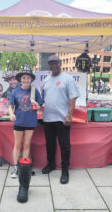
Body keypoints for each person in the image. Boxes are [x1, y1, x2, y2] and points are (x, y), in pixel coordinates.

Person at [41, 55, 80, 184]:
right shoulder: (46, 80)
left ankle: (64, 170)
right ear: (49, 65)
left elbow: (73, 98)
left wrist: (69, 116)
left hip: (63, 119)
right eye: (51, 63)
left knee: (65, 146)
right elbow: (44, 99)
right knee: (50, 144)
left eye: (55, 63)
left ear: (60, 63)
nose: (53, 65)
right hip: (47, 119)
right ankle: (51, 165)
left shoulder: (67, 79)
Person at [8, 66, 42, 179]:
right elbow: (10, 106)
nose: (26, 80)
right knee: (17, 144)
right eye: (24, 78)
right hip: (18, 121)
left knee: (27, 144)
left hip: (30, 121)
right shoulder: (15, 91)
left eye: (28, 78)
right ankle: (16, 166)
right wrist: (11, 114)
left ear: (31, 79)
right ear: (20, 79)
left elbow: (39, 105)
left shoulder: (34, 90)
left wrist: (37, 106)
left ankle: (24, 166)